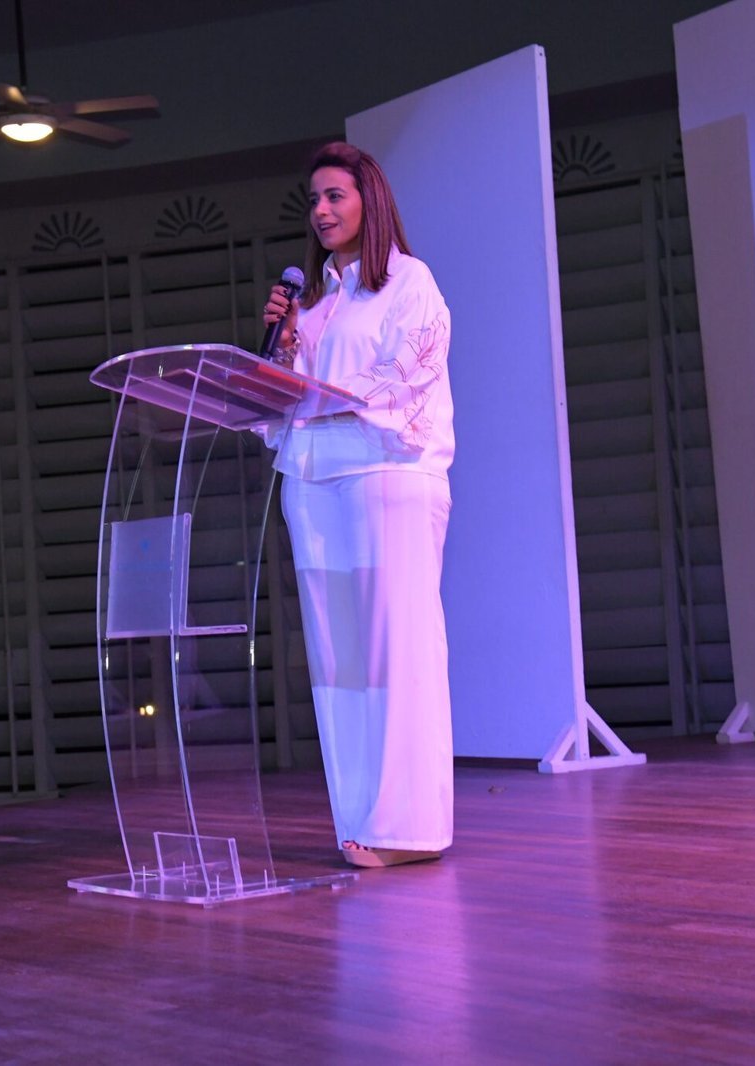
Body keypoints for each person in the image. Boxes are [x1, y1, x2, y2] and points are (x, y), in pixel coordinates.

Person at [259, 141, 454, 869]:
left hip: (386, 474)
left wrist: (322, 398)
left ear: (370, 200)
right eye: (312, 199)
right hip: (313, 478)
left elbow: (406, 376)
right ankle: (361, 818)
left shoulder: (410, 281)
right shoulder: (316, 301)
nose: (320, 210)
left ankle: (409, 830)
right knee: (340, 663)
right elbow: (283, 395)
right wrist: (283, 345)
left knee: (395, 650)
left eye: (334, 195)